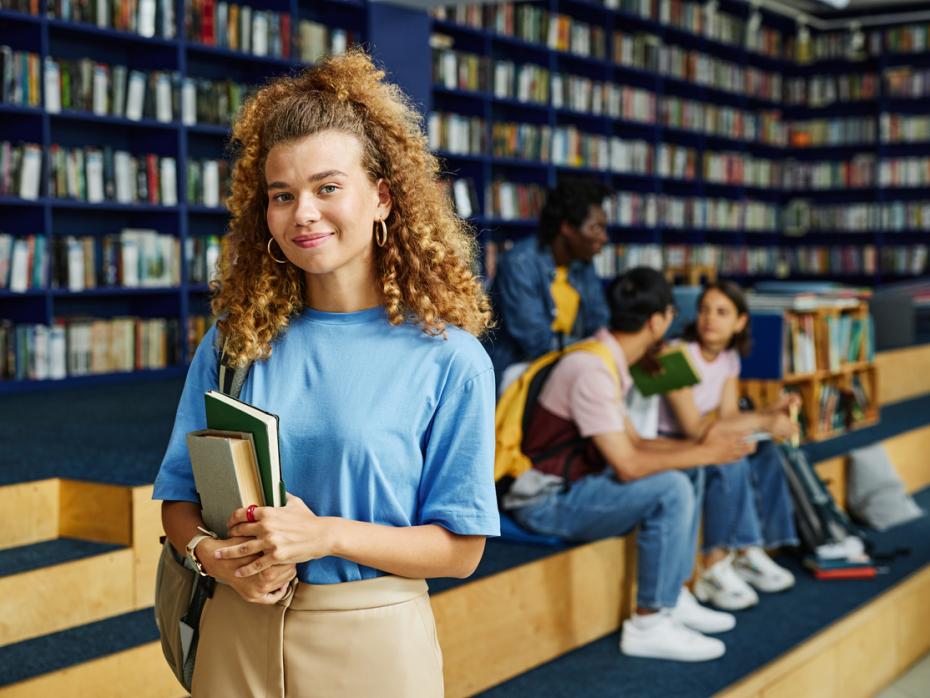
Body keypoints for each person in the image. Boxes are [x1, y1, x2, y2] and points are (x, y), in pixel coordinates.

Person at [152, 50, 500, 698]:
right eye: (283, 195)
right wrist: (216, 560)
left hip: (370, 642)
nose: (303, 213)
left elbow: (462, 549)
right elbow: (179, 502)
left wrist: (325, 536)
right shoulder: (235, 344)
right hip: (236, 629)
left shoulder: (450, 360)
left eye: (327, 187)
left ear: (382, 198)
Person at [503, 267, 755, 662]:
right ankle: (649, 623)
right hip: (546, 500)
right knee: (671, 486)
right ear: (657, 321)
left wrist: (698, 449)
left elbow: (634, 442)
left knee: (688, 467)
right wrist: (706, 451)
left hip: (579, 481)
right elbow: (628, 465)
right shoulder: (592, 369)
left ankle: (674, 595)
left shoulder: (605, 356)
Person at [658, 281, 799, 611]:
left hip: (705, 431)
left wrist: (766, 416)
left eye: (722, 312)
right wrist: (760, 421)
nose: (710, 319)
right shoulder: (678, 354)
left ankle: (751, 549)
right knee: (730, 456)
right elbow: (693, 428)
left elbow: (729, 415)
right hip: (671, 440)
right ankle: (713, 563)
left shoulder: (728, 358)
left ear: (740, 322)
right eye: (705, 309)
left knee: (766, 451)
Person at [485, 179, 611, 388]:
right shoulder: (520, 263)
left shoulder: (583, 264)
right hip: (518, 367)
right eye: (596, 228)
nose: (604, 238)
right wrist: (596, 349)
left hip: (566, 361)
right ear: (568, 228)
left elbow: (599, 321)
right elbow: (536, 341)